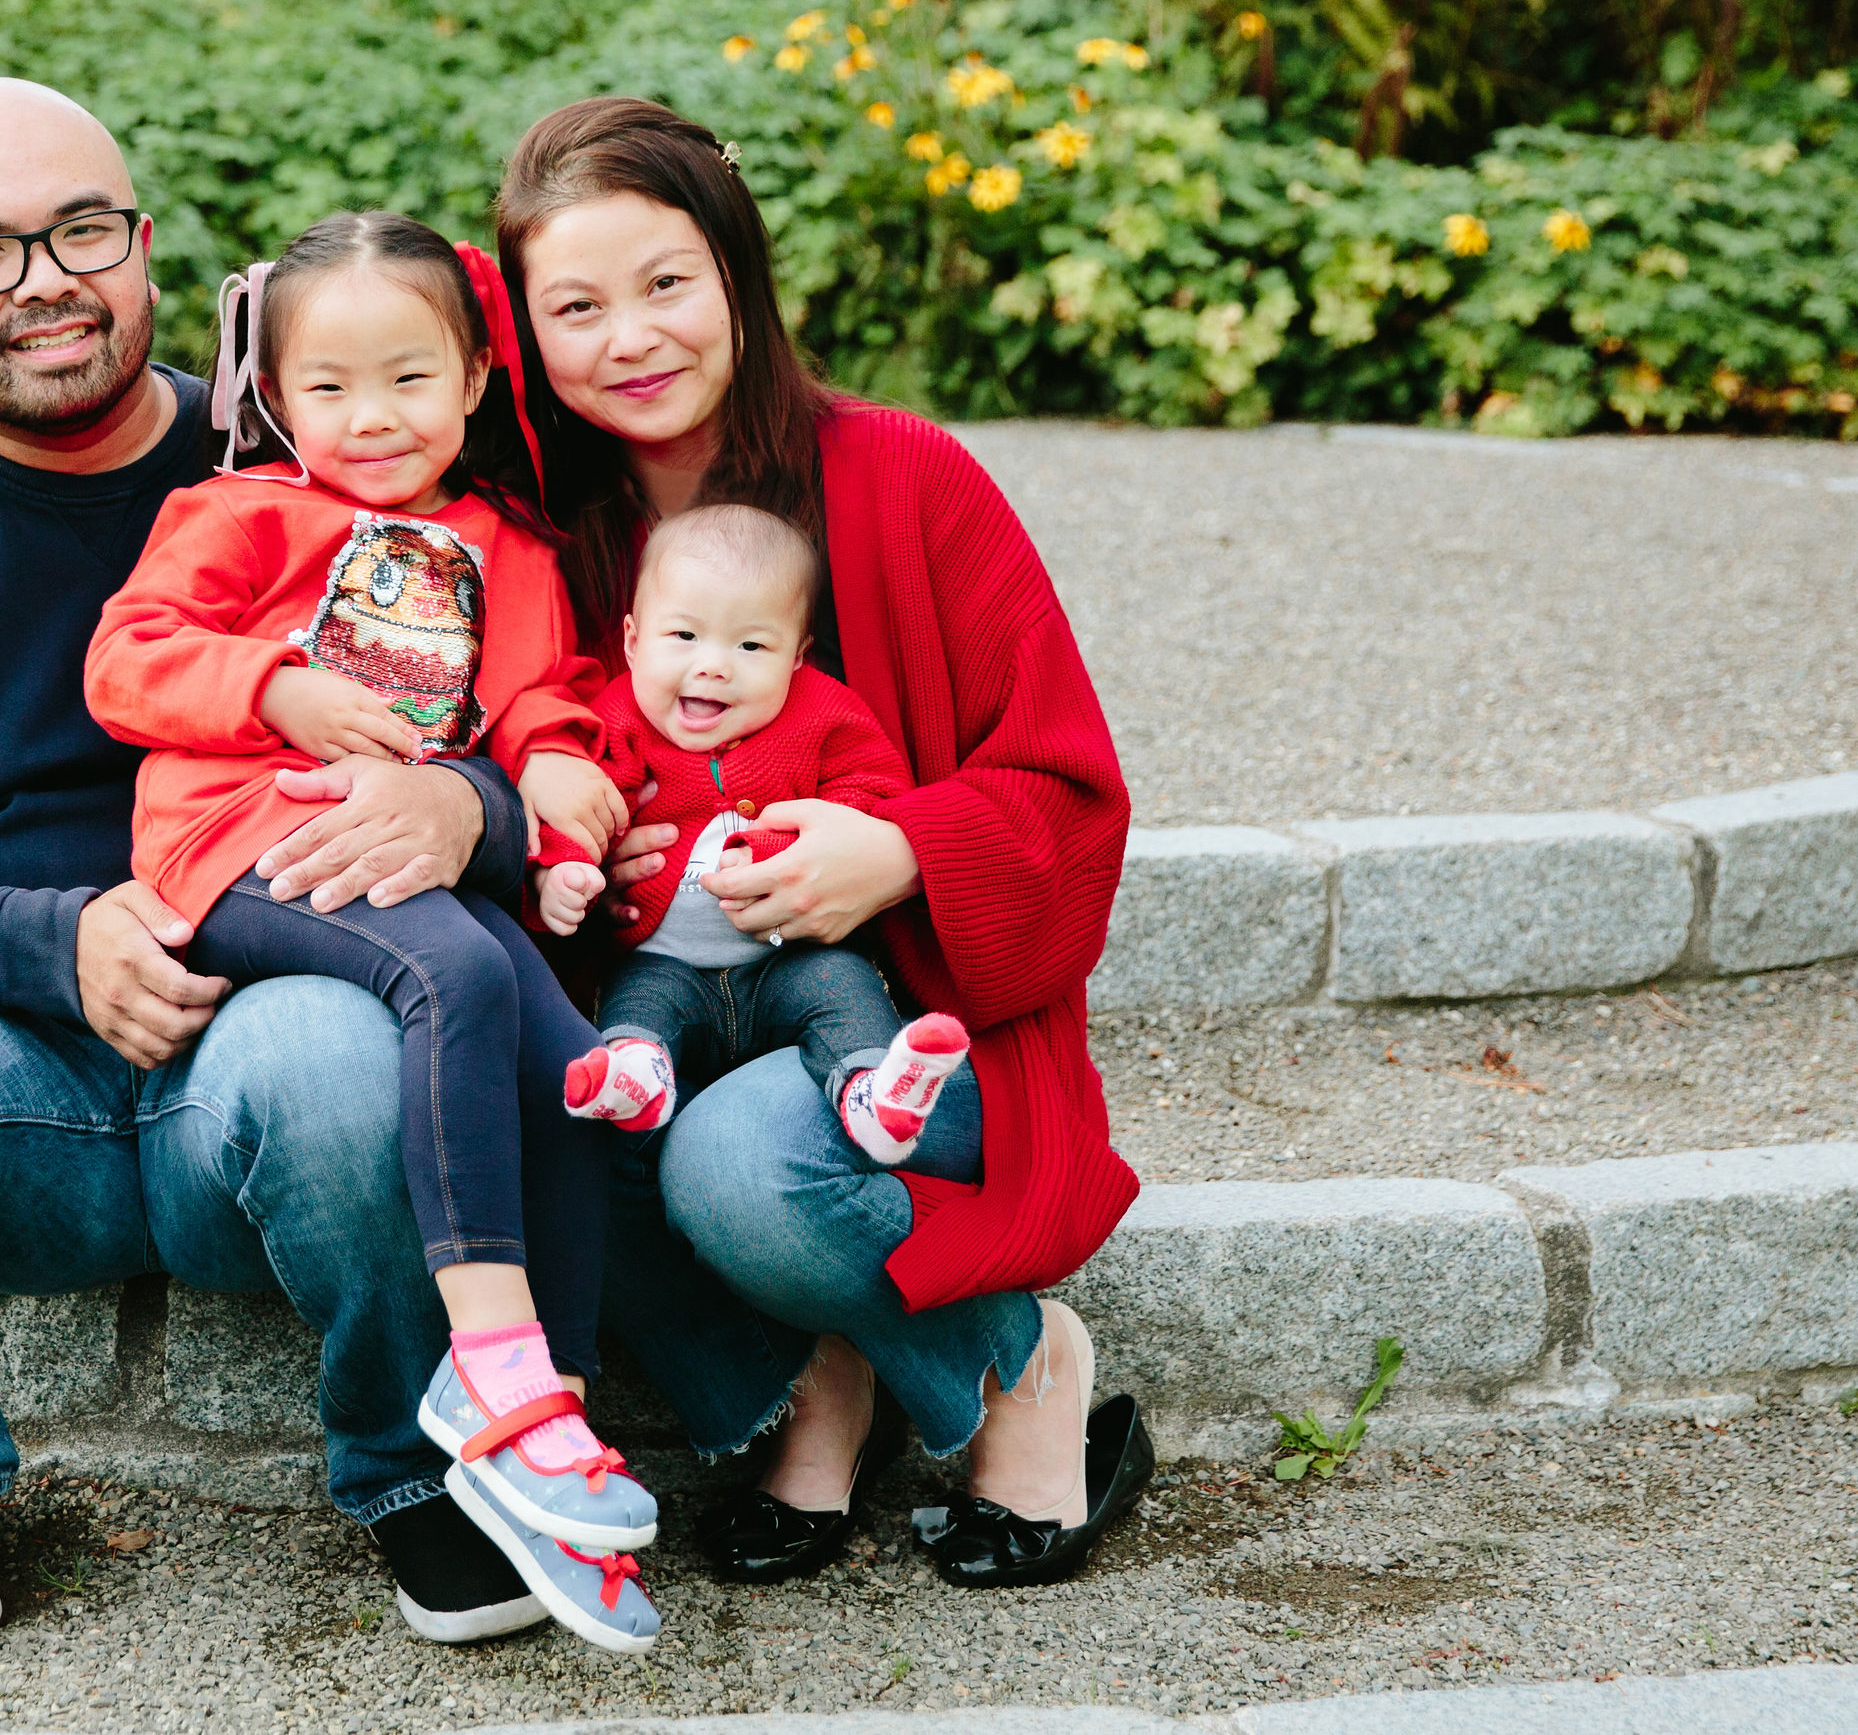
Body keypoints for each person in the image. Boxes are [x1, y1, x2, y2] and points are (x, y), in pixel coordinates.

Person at [0, 78, 555, 1646]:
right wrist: (50, 939)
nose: (42, 280)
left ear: (145, 248)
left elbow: (531, 692)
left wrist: (479, 812)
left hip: (277, 1036)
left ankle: (422, 1467)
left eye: (79, 228)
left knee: (365, 1057)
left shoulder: (323, 461)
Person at [496, 95, 1156, 1592]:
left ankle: (1019, 1364)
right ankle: (825, 1373)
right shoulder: (543, 533)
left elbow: (1071, 786)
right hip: (663, 993)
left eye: (667, 281)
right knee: (530, 1096)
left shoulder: (909, 477)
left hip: (914, 1028)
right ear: (527, 332)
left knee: (739, 1162)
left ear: (738, 265)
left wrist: (903, 847)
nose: (631, 336)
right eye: (576, 305)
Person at [85, 209, 658, 1653]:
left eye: (409, 377)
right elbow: (126, 655)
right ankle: (494, 1373)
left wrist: (559, 778)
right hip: (238, 837)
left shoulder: (500, 544)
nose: (371, 417)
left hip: (413, 860)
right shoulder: (235, 515)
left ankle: (557, 1440)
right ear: (273, 390)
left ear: (475, 374)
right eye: (327, 385)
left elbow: (538, 698)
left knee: (572, 1065)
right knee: (458, 964)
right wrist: (272, 685)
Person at [554, 502, 975, 1170]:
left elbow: (876, 791)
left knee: (843, 987)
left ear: (798, 656)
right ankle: (636, 1074)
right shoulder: (619, 716)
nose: (714, 665)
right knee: (637, 999)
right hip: (666, 960)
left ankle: (875, 1089)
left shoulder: (824, 714)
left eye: (751, 645)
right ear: (633, 640)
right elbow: (584, 802)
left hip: (787, 956)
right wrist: (572, 869)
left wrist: (818, 841)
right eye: (683, 636)